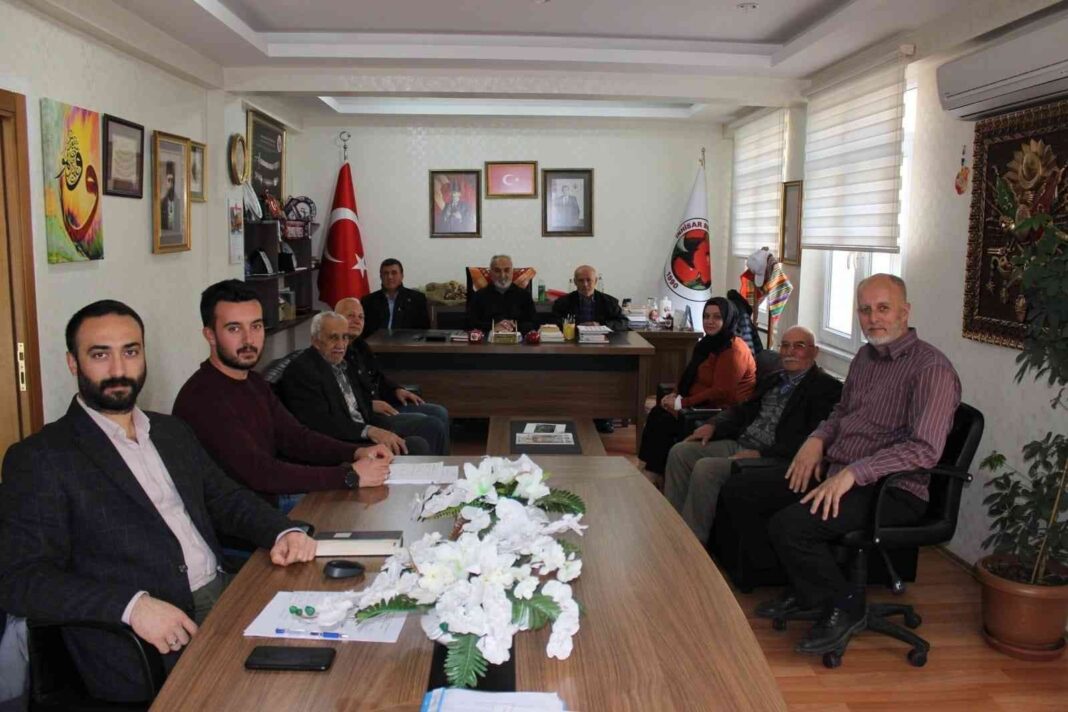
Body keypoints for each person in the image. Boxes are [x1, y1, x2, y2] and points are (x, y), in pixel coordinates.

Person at [0, 300, 318, 702]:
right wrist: (132, 606)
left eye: (130, 351)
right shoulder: (41, 457)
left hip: (225, 592)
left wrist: (283, 531)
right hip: (146, 637)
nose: (119, 368)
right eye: (100, 354)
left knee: (330, 650)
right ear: (72, 363)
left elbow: (225, 498)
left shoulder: (170, 431)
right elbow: (20, 579)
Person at [753, 274, 960, 656]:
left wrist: (853, 473)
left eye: (883, 308)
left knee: (791, 527)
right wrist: (817, 440)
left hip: (893, 490)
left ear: (905, 312)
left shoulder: (931, 369)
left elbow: (925, 450)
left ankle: (845, 606)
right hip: (842, 469)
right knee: (752, 492)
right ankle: (810, 592)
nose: (873, 318)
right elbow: (842, 411)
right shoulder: (866, 357)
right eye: (865, 310)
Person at [173, 280, 391, 512]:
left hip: (272, 500)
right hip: (248, 518)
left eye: (256, 326)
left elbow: (296, 437)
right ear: (210, 335)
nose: (249, 340)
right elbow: (261, 473)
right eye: (234, 329)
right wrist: (349, 475)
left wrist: (356, 452)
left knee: (381, 501)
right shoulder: (203, 399)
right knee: (361, 510)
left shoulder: (253, 382)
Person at [663, 326, 841, 543]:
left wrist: (760, 454)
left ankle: (690, 544)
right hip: (741, 441)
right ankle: (672, 528)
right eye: (785, 345)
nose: (790, 351)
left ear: (815, 351)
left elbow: (808, 439)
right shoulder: (773, 379)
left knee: (706, 468)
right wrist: (713, 425)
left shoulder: (826, 388)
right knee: (680, 452)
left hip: (771, 457)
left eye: (799, 346)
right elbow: (742, 410)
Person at [275, 312, 440, 455]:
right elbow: (321, 424)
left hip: (365, 425)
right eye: (333, 337)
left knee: (431, 426)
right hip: (344, 442)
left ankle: (442, 478)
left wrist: (381, 427)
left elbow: (360, 404)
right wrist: (370, 431)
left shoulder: (343, 364)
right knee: (417, 445)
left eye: (345, 337)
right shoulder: (302, 371)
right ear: (315, 341)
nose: (341, 345)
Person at [638, 297, 757, 475]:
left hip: (720, 411)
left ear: (728, 319)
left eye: (717, 317)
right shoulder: (707, 344)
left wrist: (682, 403)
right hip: (699, 403)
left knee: (664, 420)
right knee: (658, 412)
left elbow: (721, 392)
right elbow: (690, 374)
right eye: (706, 316)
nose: (710, 321)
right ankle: (648, 470)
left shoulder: (734, 350)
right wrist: (675, 394)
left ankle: (654, 474)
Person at [336, 297, 451, 453]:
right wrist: (368, 405)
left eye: (361, 317)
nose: (357, 321)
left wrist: (396, 390)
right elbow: (339, 396)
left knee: (440, 412)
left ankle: (442, 465)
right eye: (351, 316)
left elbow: (378, 377)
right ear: (336, 318)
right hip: (366, 416)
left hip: (384, 404)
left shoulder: (361, 345)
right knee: (432, 425)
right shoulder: (335, 352)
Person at [466, 254, 537, 334]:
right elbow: (470, 324)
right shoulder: (479, 296)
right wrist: (493, 327)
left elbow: (534, 324)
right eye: (497, 271)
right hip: (488, 340)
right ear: (491, 273)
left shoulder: (524, 296)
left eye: (507, 270)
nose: (502, 275)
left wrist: (512, 327)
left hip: (517, 340)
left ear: (512, 272)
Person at [360, 258, 430, 337]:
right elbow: (363, 331)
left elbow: (424, 330)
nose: (390, 277)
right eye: (386, 273)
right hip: (375, 343)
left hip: (406, 342)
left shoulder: (417, 299)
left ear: (402, 276)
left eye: (394, 273)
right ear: (381, 277)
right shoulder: (368, 301)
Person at [552, 265, 628, 331]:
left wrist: (600, 325)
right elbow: (554, 321)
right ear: (575, 282)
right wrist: (577, 326)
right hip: (573, 339)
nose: (585, 284)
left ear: (595, 281)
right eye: (581, 280)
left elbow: (624, 322)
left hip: (602, 339)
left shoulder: (609, 302)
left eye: (589, 280)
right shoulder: (562, 302)